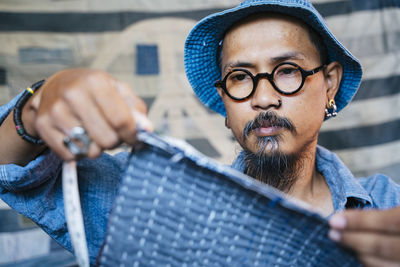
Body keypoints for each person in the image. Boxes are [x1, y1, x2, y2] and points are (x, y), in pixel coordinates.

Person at [0, 0, 399, 265]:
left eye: (287, 71)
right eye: (240, 77)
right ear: (225, 105)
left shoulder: (387, 207)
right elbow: (14, 168)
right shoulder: (157, 203)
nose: (262, 98)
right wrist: (38, 105)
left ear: (329, 84)